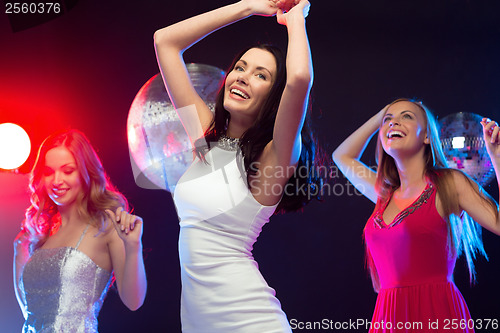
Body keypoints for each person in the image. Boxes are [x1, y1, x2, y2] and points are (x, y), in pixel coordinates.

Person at [154, 0, 324, 331]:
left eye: (261, 75)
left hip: (250, 322)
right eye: (240, 67)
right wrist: (246, 6)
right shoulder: (204, 139)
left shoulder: (274, 157)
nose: (243, 78)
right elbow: (165, 42)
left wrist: (295, 18)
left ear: (274, 98)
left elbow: (300, 77)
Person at [332, 98, 500, 332]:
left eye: (407, 116)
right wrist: (382, 114)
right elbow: (341, 156)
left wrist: (498, 158)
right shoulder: (384, 195)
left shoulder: (450, 184)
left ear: (427, 137)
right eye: (389, 120)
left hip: (436, 315)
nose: (394, 123)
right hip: (387, 318)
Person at [13, 129, 147, 333]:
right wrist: (19, 251)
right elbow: (31, 312)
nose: (57, 181)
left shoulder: (106, 225)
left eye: (67, 171)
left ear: (86, 172)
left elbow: (133, 301)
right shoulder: (41, 234)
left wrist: (133, 247)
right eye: (49, 172)